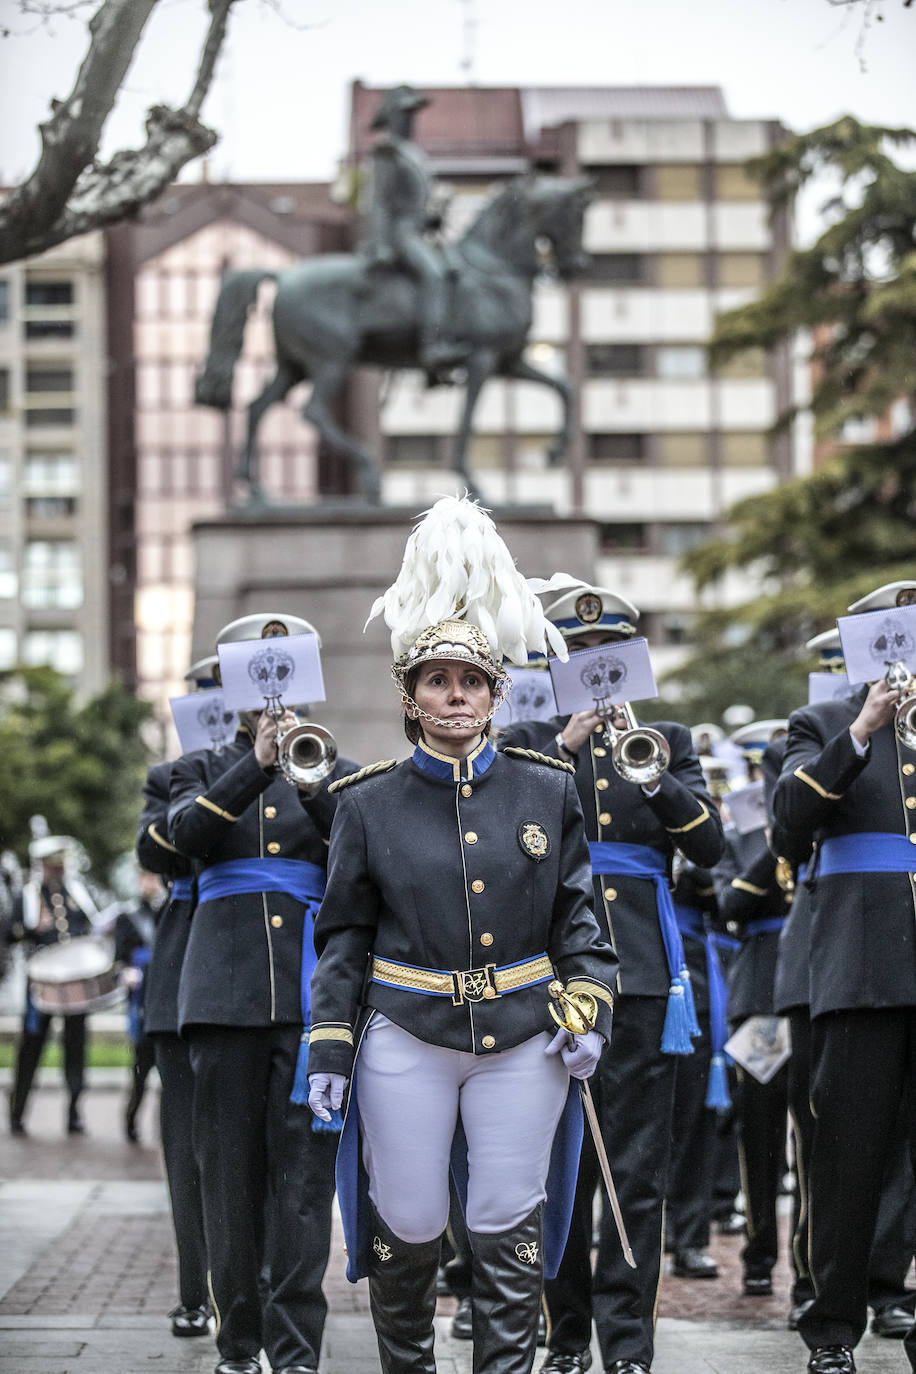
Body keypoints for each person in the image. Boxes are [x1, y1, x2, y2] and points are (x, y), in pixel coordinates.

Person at [306, 498, 618, 1374]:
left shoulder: (546, 788)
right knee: (405, 1222)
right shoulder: (364, 802)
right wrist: (328, 1048)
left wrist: (587, 1009)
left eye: (471, 682)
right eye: (437, 681)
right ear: (410, 697)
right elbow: (344, 940)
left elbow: (581, 925)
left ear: (495, 694)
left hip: (525, 1036)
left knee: (505, 1224)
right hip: (406, 1031)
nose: (455, 695)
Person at [499, 581, 725, 1374]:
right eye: (580, 654)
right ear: (555, 663)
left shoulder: (668, 738)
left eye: (609, 652)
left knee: (635, 1172)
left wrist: (654, 774)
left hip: (641, 977)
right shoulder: (527, 739)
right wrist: (566, 741)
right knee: (558, 1165)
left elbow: (710, 849)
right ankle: (563, 1339)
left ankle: (628, 1345)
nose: (596, 666)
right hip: (552, 978)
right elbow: (503, 835)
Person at [168, 612, 357, 1374]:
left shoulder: (334, 767)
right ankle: (239, 1345)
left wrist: (302, 772)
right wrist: (254, 762)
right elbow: (182, 839)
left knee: (306, 1187)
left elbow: (357, 848)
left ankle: (297, 1350)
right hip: (223, 1000)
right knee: (231, 1182)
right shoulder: (199, 767)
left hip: (311, 1006)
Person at [774, 580, 916, 1374]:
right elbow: (790, 827)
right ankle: (832, 1329)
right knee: (848, 1160)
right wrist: (862, 729)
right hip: (859, 970)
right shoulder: (823, 722)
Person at [713, 718, 792, 1301]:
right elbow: (730, 903)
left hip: (820, 980)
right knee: (761, 1136)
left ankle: (816, 1269)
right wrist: (777, 840)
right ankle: (761, 1252)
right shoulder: (740, 830)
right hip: (762, 989)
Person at [364, 83, 468, 374]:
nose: (410, 119)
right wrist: (380, 245)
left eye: (413, 114)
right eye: (405, 113)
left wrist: (432, 216)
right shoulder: (387, 152)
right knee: (433, 274)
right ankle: (431, 346)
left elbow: (415, 200)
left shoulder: (412, 153)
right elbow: (378, 202)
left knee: (455, 269)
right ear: (393, 116)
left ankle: (451, 338)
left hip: (420, 232)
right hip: (400, 235)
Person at [8, 834, 99, 1136]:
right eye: (51, 865)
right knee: (30, 1047)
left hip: (74, 982)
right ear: (43, 866)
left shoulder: (79, 893)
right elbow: (9, 931)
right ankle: (17, 1112)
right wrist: (32, 929)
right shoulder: (28, 896)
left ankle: (74, 1112)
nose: (56, 870)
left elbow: (95, 926)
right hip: (41, 983)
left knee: (76, 1048)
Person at [112, 867, 162, 1144]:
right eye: (145, 876)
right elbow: (118, 959)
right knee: (140, 1073)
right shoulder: (128, 917)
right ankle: (130, 1122)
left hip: (164, 999)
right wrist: (126, 973)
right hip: (142, 1003)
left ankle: (161, 1130)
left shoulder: (168, 911)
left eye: (153, 876)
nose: (150, 882)